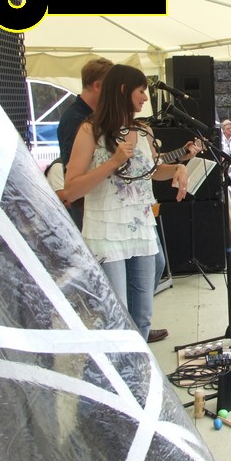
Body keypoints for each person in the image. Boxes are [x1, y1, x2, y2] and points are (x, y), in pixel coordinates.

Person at [64, 65, 189, 343]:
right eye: (141, 91)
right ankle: (119, 367)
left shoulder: (143, 131)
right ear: (123, 90)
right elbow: (71, 189)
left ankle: (140, 366)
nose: (145, 97)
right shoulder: (89, 130)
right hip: (106, 231)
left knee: (142, 314)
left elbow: (153, 170)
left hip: (140, 228)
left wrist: (178, 168)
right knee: (116, 315)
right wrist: (113, 162)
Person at [57, 58, 114, 228]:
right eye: (110, 88)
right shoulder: (75, 119)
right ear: (97, 86)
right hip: (86, 205)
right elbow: (73, 167)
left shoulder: (94, 117)